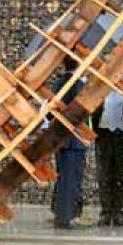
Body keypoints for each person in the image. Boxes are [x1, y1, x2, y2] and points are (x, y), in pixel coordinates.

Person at [51, 59, 88, 229]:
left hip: (61, 139)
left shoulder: (59, 82)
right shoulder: (76, 84)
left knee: (64, 178)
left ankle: (63, 214)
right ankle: (66, 217)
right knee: (70, 179)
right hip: (73, 140)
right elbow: (82, 109)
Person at [93, 91, 123, 227]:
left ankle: (119, 212)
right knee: (104, 175)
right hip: (104, 134)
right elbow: (94, 113)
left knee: (121, 176)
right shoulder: (101, 91)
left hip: (122, 135)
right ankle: (106, 212)